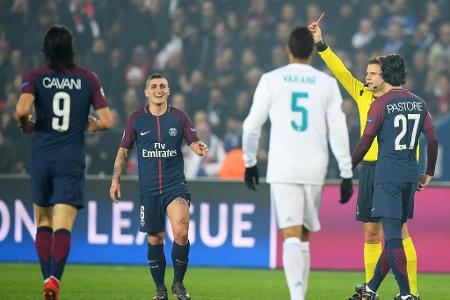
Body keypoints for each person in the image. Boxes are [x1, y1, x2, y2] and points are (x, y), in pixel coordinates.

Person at [308, 18, 421, 298]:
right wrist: (320, 43)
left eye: (372, 73)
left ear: (385, 76)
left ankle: (412, 292)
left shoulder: (397, 101)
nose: (366, 77)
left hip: (393, 170)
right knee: (372, 235)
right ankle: (374, 291)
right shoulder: (362, 94)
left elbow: (416, 137)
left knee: (400, 235)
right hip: (369, 171)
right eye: (367, 73)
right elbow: (339, 70)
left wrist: (415, 166)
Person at [242, 26, 353, 300]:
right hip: (315, 167)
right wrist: (346, 171)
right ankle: (299, 296)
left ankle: (297, 297)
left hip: (283, 167)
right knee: (302, 236)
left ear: (287, 50)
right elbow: (338, 128)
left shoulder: (271, 79)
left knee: (291, 234)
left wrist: (250, 161)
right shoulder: (326, 83)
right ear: (313, 52)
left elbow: (250, 126)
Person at [15, 25, 113, 300]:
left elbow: (21, 109)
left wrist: (26, 123)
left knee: (43, 221)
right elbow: (108, 120)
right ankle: (55, 279)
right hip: (70, 158)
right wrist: (92, 126)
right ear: (72, 49)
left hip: (42, 156)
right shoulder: (88, 79)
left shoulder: (35, 77)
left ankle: (48, 279)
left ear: (46, 49)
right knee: (63, 225)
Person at [109, 74, 208, 300]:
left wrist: (197, 146)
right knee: (155, 239)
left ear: (168, 90)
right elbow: (123, 151)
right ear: (146, 92)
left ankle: (178, 284)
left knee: (181, 233)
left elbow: (192, 139)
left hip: (175, 187)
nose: (158, 89)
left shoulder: (179, 117)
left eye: (162, 86)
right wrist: (115, 180)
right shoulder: (136, 119)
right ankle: (160, 289)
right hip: (149, 190)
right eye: (153, 86)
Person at [351, 54, 438, 300]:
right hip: (411, 176)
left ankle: (406, 294)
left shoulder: (380, 104)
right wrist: (429, 172)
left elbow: (366, 140)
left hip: (387, 176)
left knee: (392, 239)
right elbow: (432, 139)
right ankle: (370, 289)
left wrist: (349, 167)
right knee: (395, 235)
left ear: (386, 75)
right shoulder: (419, 103)